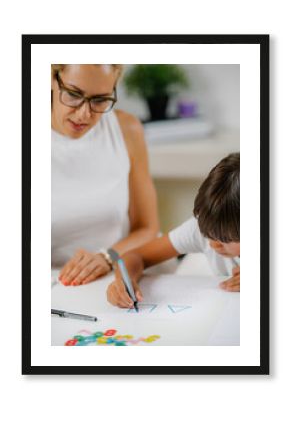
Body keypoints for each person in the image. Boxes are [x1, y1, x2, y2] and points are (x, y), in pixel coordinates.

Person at [51, 64, 159, 286]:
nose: (84, 114)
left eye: (100, 100)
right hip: (56, 284)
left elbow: (148, 228)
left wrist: (107, 257)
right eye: (73, 95)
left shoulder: (127, 129)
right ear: (52, 79)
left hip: (121, 272)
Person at [107, 153, 240, 308]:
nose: (213, 244)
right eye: (207, 234)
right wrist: (124, 281)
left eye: (224, 238)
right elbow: (136, 256)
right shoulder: (203, 227)